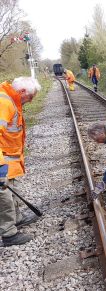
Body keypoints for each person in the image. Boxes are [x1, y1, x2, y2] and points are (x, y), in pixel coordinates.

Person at [0, 77, 42, 246]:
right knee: (4, 197)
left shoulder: (11, 100)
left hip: (10, 159)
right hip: (2, 160)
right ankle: (9, 234)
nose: (29, 102)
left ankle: (17, 219)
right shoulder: (4, 103)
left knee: (13, 190)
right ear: (23, 92)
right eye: (30, 98)